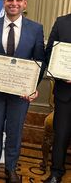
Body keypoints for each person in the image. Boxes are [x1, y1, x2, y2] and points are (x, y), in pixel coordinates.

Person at [0, 0, 45, 183]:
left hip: (21, 94)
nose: (14, 4)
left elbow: (39, 62)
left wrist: (33, 87)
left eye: (18, 0)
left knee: (15, 132)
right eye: (10, 0)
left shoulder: (36, 29)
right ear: (4, 3)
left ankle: (10, 168)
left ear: (25, 4)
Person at [44, 14, 71, 183]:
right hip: (65, 91)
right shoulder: (62, 22)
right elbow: (49, 53)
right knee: (60, 134)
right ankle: (56, 172)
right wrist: (60, 72)